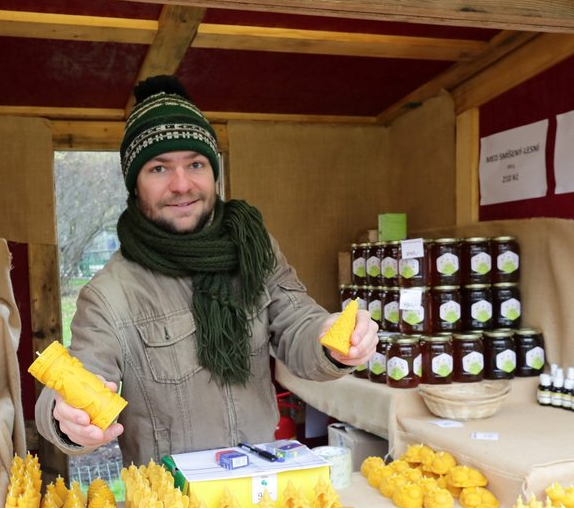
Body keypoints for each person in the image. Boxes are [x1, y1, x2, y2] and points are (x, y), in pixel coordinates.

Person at [35, 75, 378, 467]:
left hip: (258, 484)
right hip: (172, 507)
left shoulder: (254, 248)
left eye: (196, 164)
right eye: (159, 169)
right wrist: (65, 417)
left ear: (214, 173)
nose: (182, 185)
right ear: (135, 185)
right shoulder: (110, 293)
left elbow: (298, 322)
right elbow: (82, 374)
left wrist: (326, 337)